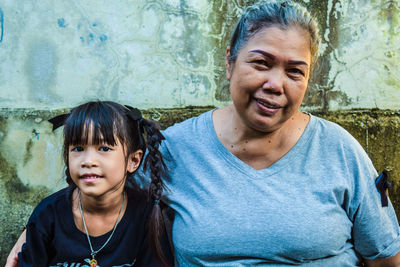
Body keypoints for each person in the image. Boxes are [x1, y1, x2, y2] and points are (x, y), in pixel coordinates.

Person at [6, 0, 400, 266]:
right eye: (261, 63)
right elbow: (100, 184)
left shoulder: (339, 151)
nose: (276, 83)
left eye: (295, 71)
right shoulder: (175, 150)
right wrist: (29, 239)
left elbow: (385, 257)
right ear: (229, 64)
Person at [13, 101, 172, 266]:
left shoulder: (145, 214)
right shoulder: (48, 214)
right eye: (78, 149)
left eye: (104, 149)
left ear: (133, 160)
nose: (88, 161)